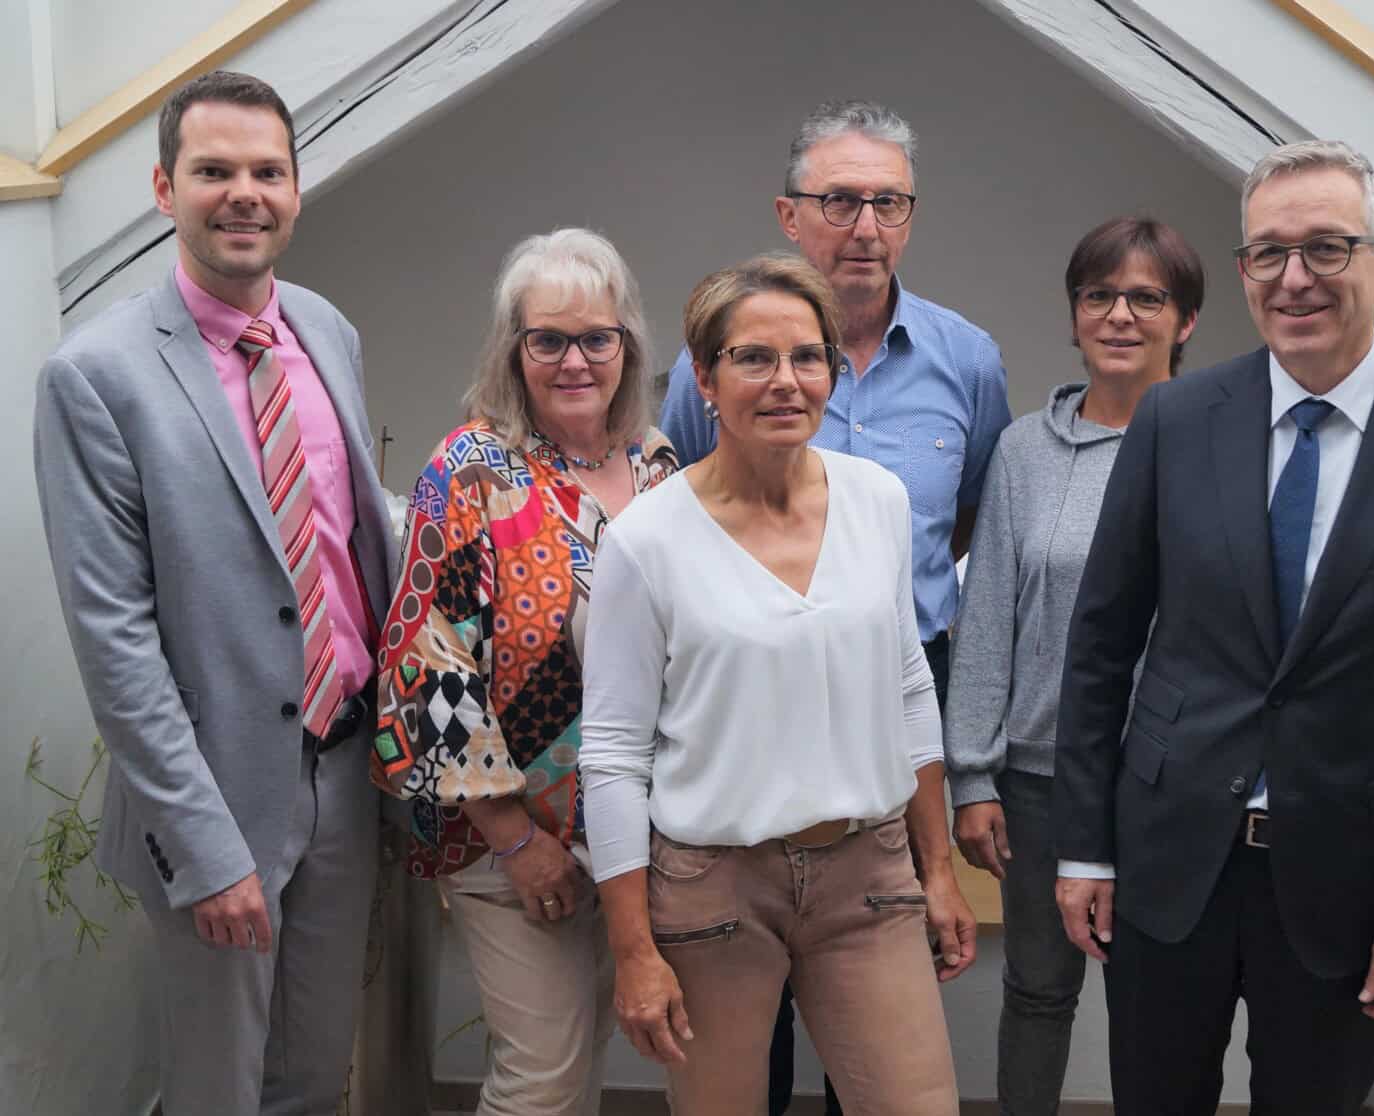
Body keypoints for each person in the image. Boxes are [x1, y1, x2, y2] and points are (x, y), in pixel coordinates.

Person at [1054, 140, 1374, 1115]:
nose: (1294, 278)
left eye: (1326, 247)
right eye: (1268, 253)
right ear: (1241, 273)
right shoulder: (1174, 420)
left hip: (1346, 888)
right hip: (1168, 860)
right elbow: (1101, 645)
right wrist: (1085, 849)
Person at [32, 71, 395, 1115]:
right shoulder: (95, 375)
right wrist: (204, 846)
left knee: (312, 1076)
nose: (244, 192)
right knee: (216, 1090)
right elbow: (114, 637)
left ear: (294, 187)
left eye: (266, 171)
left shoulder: (325, 330)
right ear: (163, 189)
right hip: (215, 793)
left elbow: (341, 536)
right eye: (214, 171)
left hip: (345, 766)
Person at [658, 97, 1009, 1113]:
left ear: (911, 215)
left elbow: (963, 522)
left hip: (900, 684)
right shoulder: (719, 356)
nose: (864, 226)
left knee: (879, 965)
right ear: (788, 212)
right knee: (743, 1000)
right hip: (742, 701)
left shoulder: (967, 361)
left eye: (887, 203)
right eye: (839, 200)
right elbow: (686, 506)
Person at [580, 254, 974, 1115]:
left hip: (867, 877)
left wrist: (936, 868)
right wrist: (635, 949)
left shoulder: (879, 499)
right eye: (754, 357)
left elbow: (909, 684)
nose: (786, 381)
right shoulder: (648, 541)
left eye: (808, 356)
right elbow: (611, 756)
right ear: (705, 379)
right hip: (715, 888)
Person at [369, 228, 677, 1115]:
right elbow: (430, 661)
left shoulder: (659, 465)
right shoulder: (469, 471)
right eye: (549, 339)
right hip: (514, 845)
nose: (575, 360)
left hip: (637, 836)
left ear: (628, 345)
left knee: (586, 1064)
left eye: (597, 337)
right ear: (516, 349)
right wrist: (513, 837)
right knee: (541, 1078)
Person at [945, 217, 1204, 1113]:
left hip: (1168, 785)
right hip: (1039, 784)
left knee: (1160, 1005)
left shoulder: (1214, 448)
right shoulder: (1025, 450)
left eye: (1147, 297)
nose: (1120, 315)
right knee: (1037, 992)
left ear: (1187, 320)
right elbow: (988, 623)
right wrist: (973, 777)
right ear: (1074, 315)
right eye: (1100, 295)